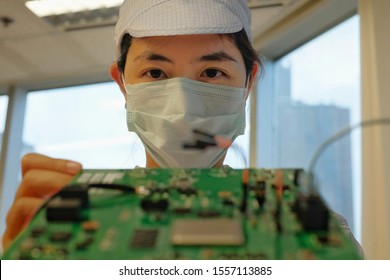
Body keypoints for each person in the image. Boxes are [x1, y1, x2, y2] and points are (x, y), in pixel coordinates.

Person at [2, 0, 363, 258]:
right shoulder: (69, 226)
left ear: (248, 83)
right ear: (123, 84)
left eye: (211, 72)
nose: (184, 108)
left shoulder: (317, 232)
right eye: (156, 73)